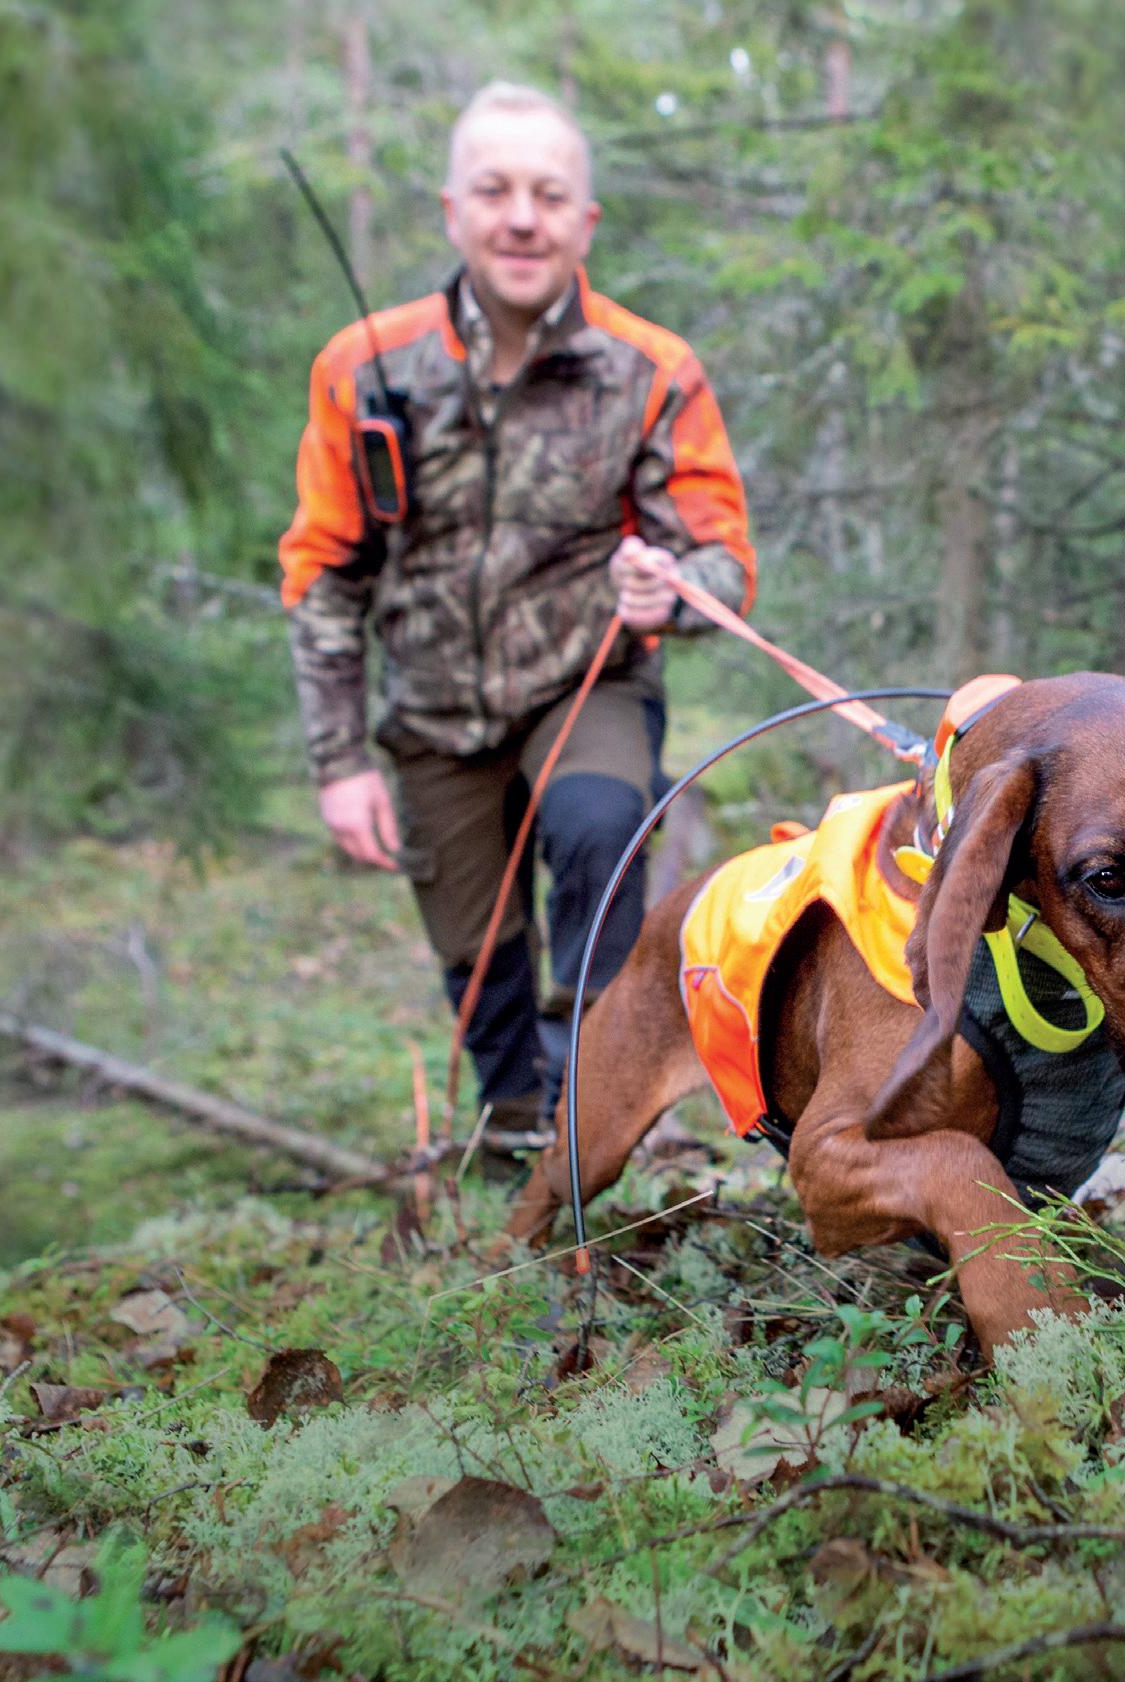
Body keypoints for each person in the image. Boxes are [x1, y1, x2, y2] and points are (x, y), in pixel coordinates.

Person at [279, 81, 755, 1135]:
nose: (522, 218)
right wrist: (339, 761)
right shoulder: (364, 366)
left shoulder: (649, 370)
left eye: (548, 195)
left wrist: (671, 585)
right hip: (430, 710)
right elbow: (323, 572)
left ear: (585, 221)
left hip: (586, 683)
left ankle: (596, 1108)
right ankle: (514, 1123)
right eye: (495, 191)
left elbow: (721, 558)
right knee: (473, 949)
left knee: (598, 831)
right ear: (454, 211)